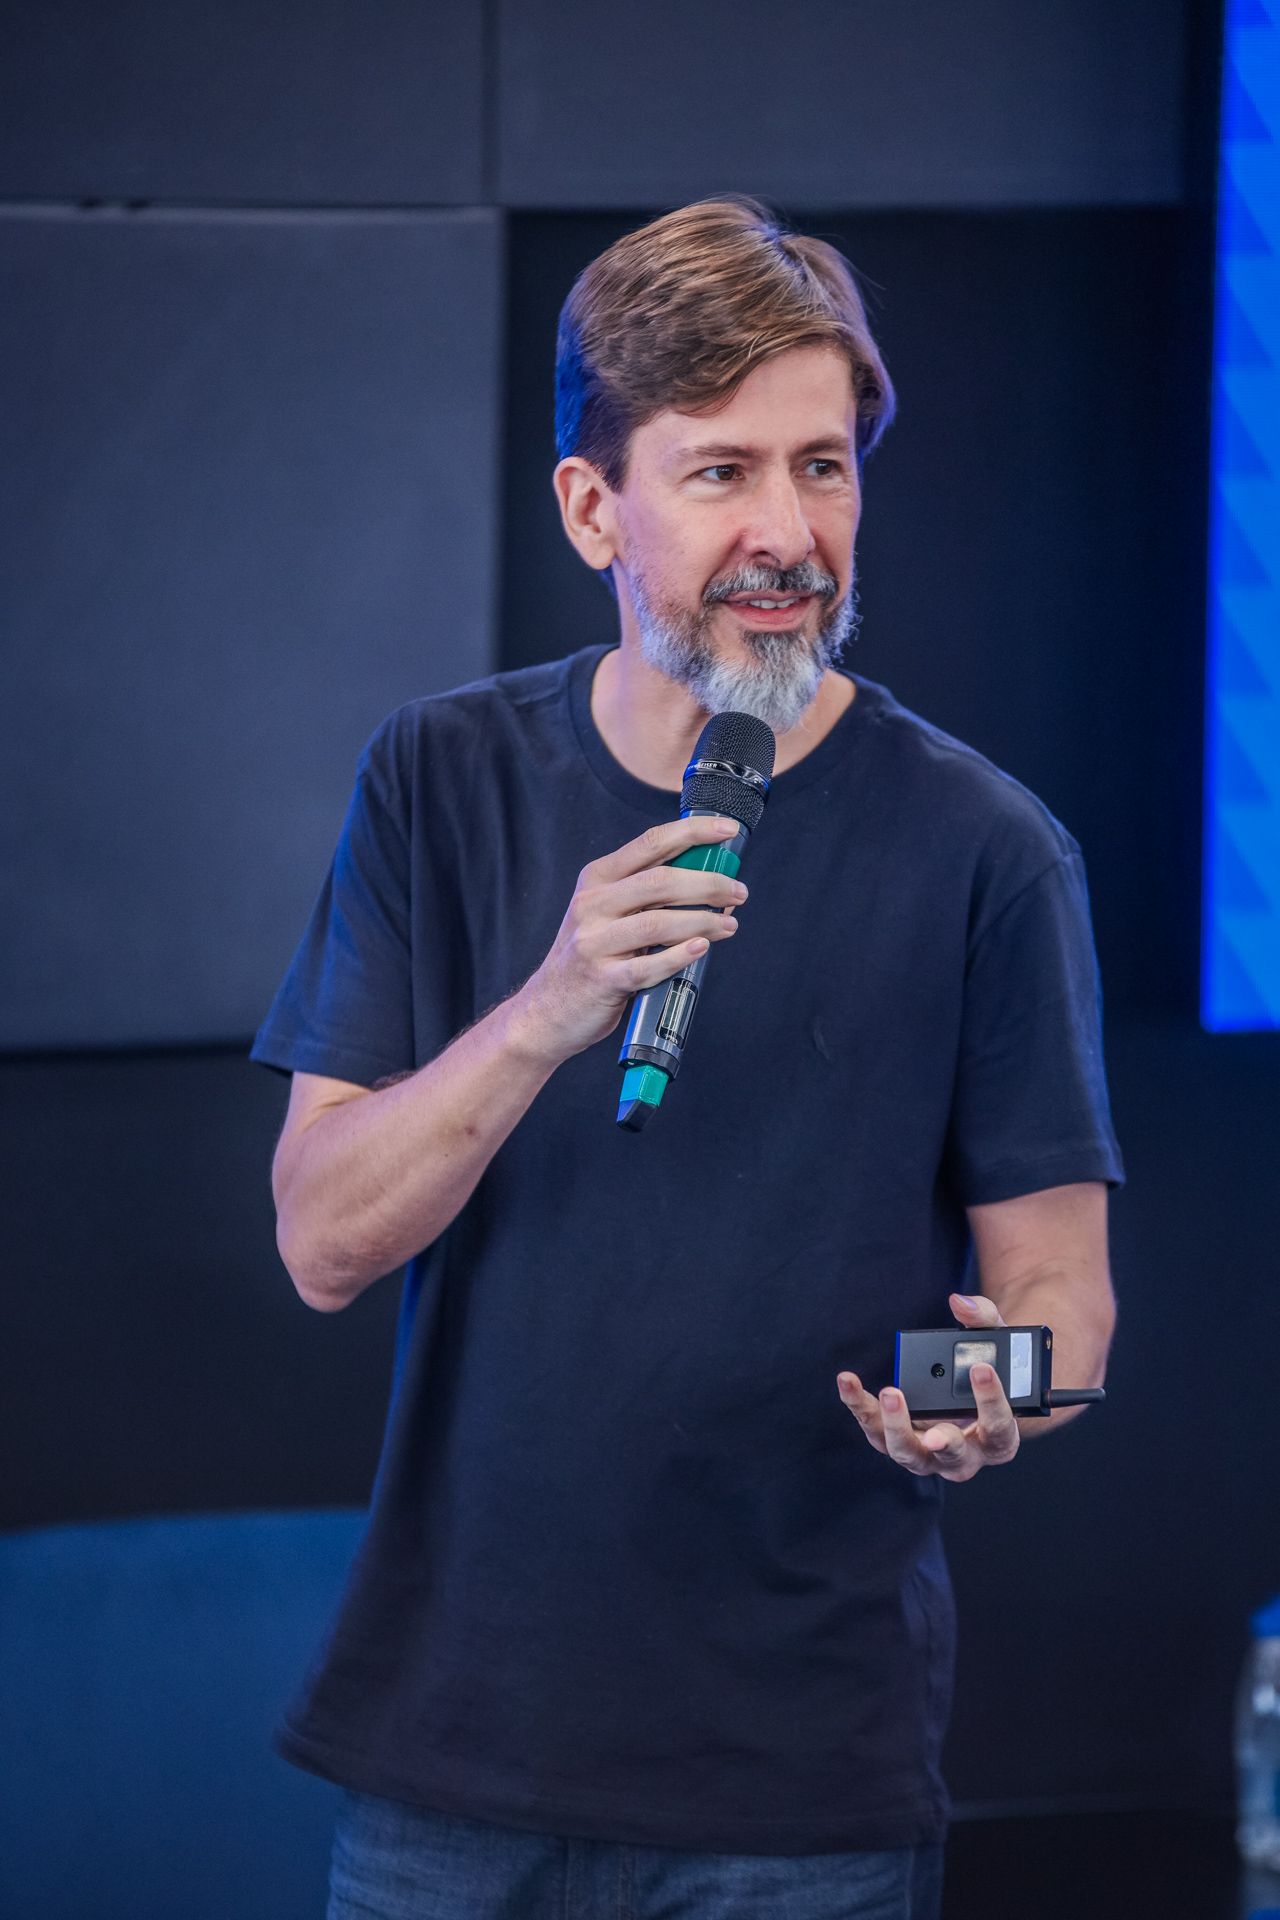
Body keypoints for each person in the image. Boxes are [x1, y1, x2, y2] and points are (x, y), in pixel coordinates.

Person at [252, 195, 1123, 1920]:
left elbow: (1065, 1311)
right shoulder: (440, 779)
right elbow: (321, 1244)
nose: (788, 532)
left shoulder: (988, 848)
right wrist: (548, 1007)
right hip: (454, 1761)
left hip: (800, 1793)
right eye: (723, 472)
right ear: (595, 506)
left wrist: (986, 1398)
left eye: (824, 469)